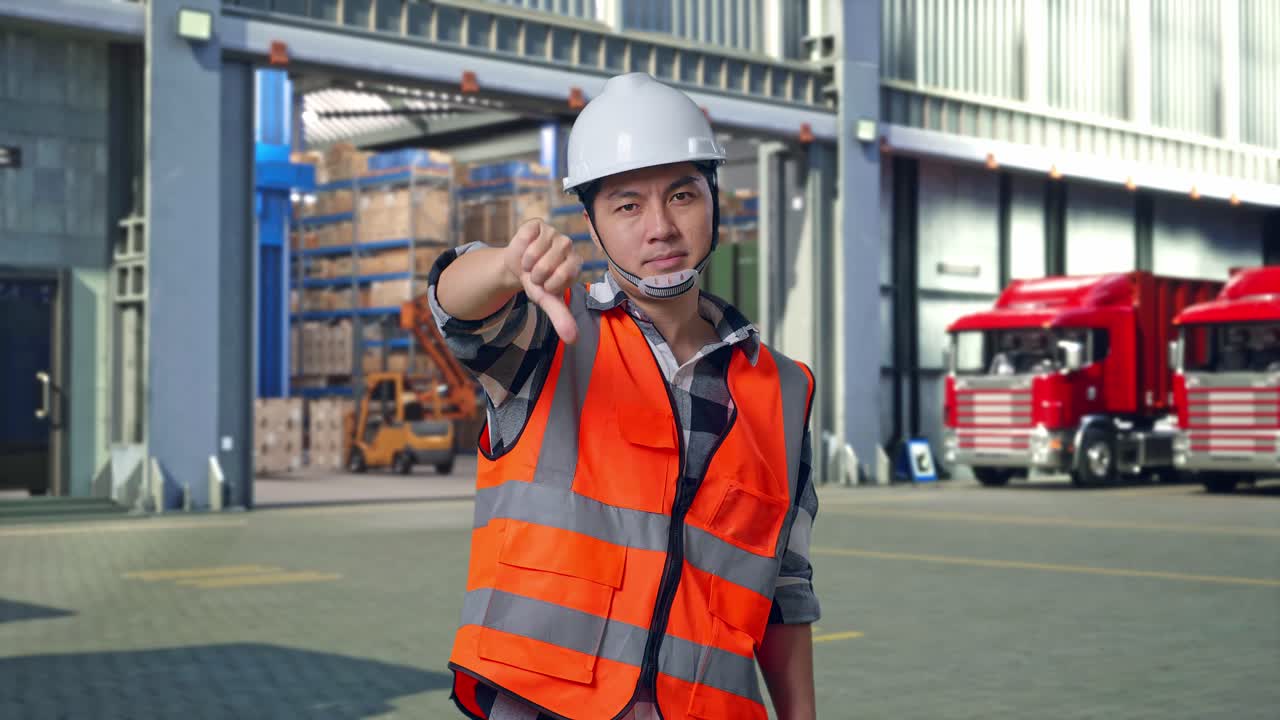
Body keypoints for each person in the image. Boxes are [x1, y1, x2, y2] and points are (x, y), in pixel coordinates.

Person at [429, 72, 820, 720]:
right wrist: (504, 267)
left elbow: (786, 587)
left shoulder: (782, 389)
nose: (661, 227)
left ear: (715, 200)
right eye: (628, 205)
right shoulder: (549, 337)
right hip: (547, 705)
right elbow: (454, 312)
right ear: (592, 223)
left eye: (683, 195)